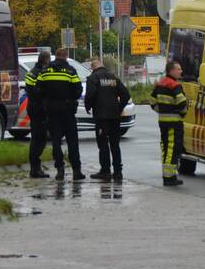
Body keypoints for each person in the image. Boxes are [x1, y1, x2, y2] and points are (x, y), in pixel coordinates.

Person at [38, 47, 85, 181]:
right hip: (68, 111)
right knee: (72, 142)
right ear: (65, 57)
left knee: (56, 142)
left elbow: (39, 89)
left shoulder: (45, 71)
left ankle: (60, 170)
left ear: (56, 56)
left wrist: (47, 100)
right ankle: (76, 171)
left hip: (52, 111)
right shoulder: (70, 71)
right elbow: (78, 91)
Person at [84, 58, 130, 182]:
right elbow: (126, 94)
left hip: (101, 117)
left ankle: (105, 171)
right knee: (115, 144)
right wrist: (119, 108)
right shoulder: (113, 78)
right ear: (102, 66)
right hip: (115, 117)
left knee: (103, 144)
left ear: (92, 68)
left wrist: (88, 107)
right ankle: (118, 172)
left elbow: (90, 95)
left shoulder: (93, 78)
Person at [150, 60, 188, 187]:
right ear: (171, 70)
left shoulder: (160, 84)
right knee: (173, 148)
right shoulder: (175, 85)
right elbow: (182, 103)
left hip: (163, 122)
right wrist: (181, 113)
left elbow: (152, 102)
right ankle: (169, 177)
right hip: (174, 123)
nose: (181, 71)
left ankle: (169, 175)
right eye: (178, 69)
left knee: (166, 148)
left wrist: (162, 111)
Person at [23, 49, 51, 179]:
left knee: (36, 138)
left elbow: (30, 91)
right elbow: (39, 92)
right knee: (39, 139)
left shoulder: (31, 73)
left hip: (33, 108)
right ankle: (35, 169)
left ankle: (34, 168)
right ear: (46, 60)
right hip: (39, 109)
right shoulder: (41, 74)